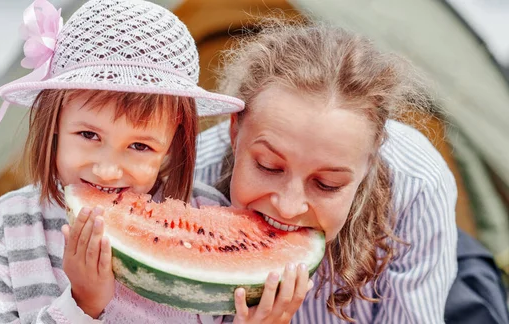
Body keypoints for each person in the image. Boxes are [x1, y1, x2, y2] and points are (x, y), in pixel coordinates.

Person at [0, 0, 310, 323]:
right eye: (88, 135)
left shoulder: (210, 211)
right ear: (55, 121)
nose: (107, 169)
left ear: (173, 143)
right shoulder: (5, 228)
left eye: (140, 146)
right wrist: (82, 305)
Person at [195, 20, 459, 323]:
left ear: (370, 162)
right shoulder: (193, 178)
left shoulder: (417, 186)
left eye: (326, 184)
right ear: (234, 132)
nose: (288, 207)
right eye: (268, 166)